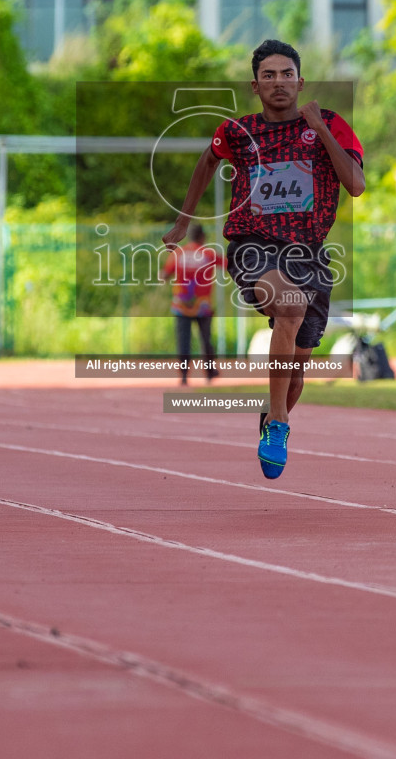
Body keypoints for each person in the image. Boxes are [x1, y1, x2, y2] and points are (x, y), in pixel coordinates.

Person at [163, 40, 365, 479]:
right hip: (254, 247)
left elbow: (355, 185)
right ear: (255, 85)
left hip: (309, 253)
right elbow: (206, 161)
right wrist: (184, 220)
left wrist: (321, 129)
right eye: (269, 76)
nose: (279, 82)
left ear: (300, 80)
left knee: (295, 377)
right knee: (290, 305)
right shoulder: (238, 131)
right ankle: (278, 424)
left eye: (286, 74)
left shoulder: (330, 124)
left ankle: (272, 415)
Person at [161, 223, 224, 385]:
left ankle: (183, 375)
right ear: (203, 237)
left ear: (189, 236)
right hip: (203, 305)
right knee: (206, 339)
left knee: (183, 339)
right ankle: (210, 373)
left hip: (181, 304)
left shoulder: (178, 253)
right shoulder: (208, 253)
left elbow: (164, 274)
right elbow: (228, 264)